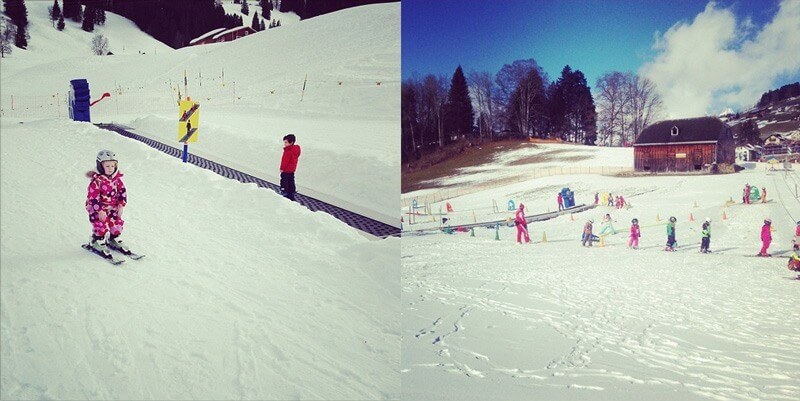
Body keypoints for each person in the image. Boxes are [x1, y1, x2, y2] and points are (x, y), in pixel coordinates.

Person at [85, 150, 129, 257]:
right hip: (98, 208)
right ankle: (96, 241)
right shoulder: (96, 181)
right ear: (100, 166)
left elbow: (122, 191)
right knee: (101, 225)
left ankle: (114, 239)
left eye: (112, 166)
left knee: (116, 223)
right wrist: (99, 210)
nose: (110, 169)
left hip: (113, 207)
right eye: (107, 166)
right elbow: (93, 197)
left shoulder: (117, 180)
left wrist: (121, 205)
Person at [279, 134, 301, 201]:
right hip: (292, 170)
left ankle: (284, 191)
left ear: (291, 142)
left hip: (286, 170)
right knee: (291, 181)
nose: (284, 144)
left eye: (286, 142)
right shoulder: (295, 150)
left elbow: (285, 161)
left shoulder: (288, 151)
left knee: (284, 180)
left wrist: (282, 168)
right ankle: (291, 192)